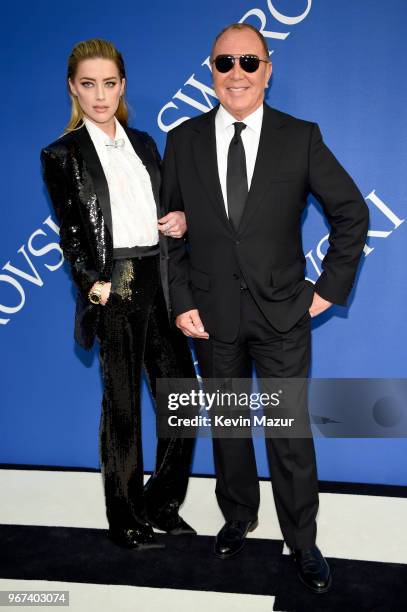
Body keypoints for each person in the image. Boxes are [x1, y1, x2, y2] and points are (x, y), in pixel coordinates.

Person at [162, 23, 369, 592]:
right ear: (210, 71)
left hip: (282, 312)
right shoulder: (182, 141)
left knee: (287, 432)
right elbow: (169, 231)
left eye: (248, 63)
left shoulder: (299, 137)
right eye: (224, 63)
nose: (237, 74)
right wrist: (181, 301)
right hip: (211, 314)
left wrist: (328, 289)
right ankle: (238, 516)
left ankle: (302, 539)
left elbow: (352, 212)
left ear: (268, 69)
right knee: (228, 425)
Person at [41, 38, 197, 550]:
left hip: (160, 277)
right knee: (123, 406)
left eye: (109, 84)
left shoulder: (146, 143)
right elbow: (70, 231)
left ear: (122, 86)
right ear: (73, 88)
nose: (100, 95)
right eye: (89, 84)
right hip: (116, 283)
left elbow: (163, 210)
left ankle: (162, 503)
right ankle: (125, 518)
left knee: (183, 397)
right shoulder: (62, 155)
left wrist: (178, 221)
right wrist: (90, 281)